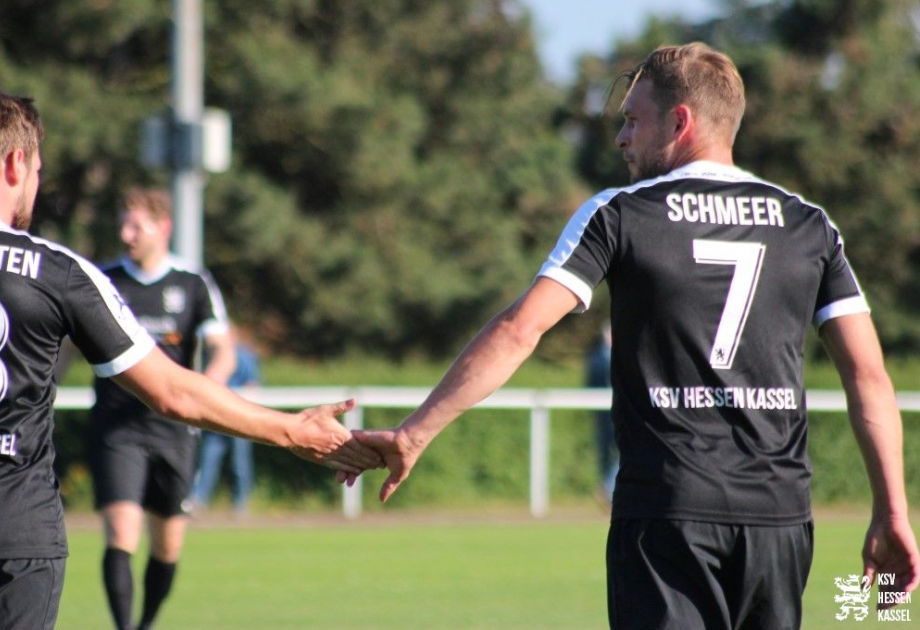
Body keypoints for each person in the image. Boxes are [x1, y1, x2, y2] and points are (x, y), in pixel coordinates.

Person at [354, 43, 920, 628]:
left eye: (632, 120)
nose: (621, 139)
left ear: (679, 122)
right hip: (779, 521)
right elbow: (868, 376)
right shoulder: (809, 224)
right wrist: (892, 511)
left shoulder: (619, 213)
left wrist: (415, 433)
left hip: (666, 513)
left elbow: (521, 329)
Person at [0, 86, 378, 630]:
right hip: (7, 537)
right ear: (16, 164)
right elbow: (172, 391)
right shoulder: (59, 273)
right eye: (38, 171)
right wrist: (293, 430)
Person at [86, 187, 229, 629]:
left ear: (163, 227)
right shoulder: (104, 280)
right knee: (121, 534)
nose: (126, 234)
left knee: (167, 546)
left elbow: (223, 350)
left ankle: (146, 623)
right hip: (116, 428)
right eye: (122, 225)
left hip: (174, 429)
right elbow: (68, 345)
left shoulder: (193, 282)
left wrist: (207, 391)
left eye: (136, 226)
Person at [191, 340, 261, 513]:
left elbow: (252, 384)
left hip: (239, 418)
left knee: (239, 462)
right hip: (216, 417)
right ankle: (199, 500)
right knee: (208, 459)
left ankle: (240, 503)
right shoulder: (210, 356)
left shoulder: (243, 356)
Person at [585, 322, 616, 504]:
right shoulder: (611, 358)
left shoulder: (594, 357)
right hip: (614, 411)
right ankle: (607, 487)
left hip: (599, 412)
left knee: (605, 452)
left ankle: (606, 486)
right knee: (625, 451)